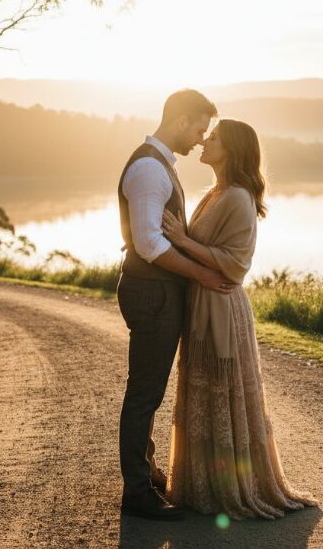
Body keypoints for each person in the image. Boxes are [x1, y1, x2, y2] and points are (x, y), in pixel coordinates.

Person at [162, 119, 318, 519]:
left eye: (212, 137)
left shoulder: (237, 197)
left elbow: (236, 264)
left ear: (230, 148)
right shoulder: (216, 192)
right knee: (204, 394)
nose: (204, 141)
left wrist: (181, 240)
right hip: (204, 300)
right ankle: (201, 486)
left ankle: (231, 488)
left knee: (222, 392)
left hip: (222, 306)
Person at [117, 89, 233, 521]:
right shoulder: (150, 167)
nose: (202, 139)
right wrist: (203, 274)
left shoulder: (159, 163)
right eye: (200, 129)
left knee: (149, 390)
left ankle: (142, 474)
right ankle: (137, 492)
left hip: (156, 291)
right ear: (182, 120)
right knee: (144, 393)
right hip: (154, 293)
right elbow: (148, 242)